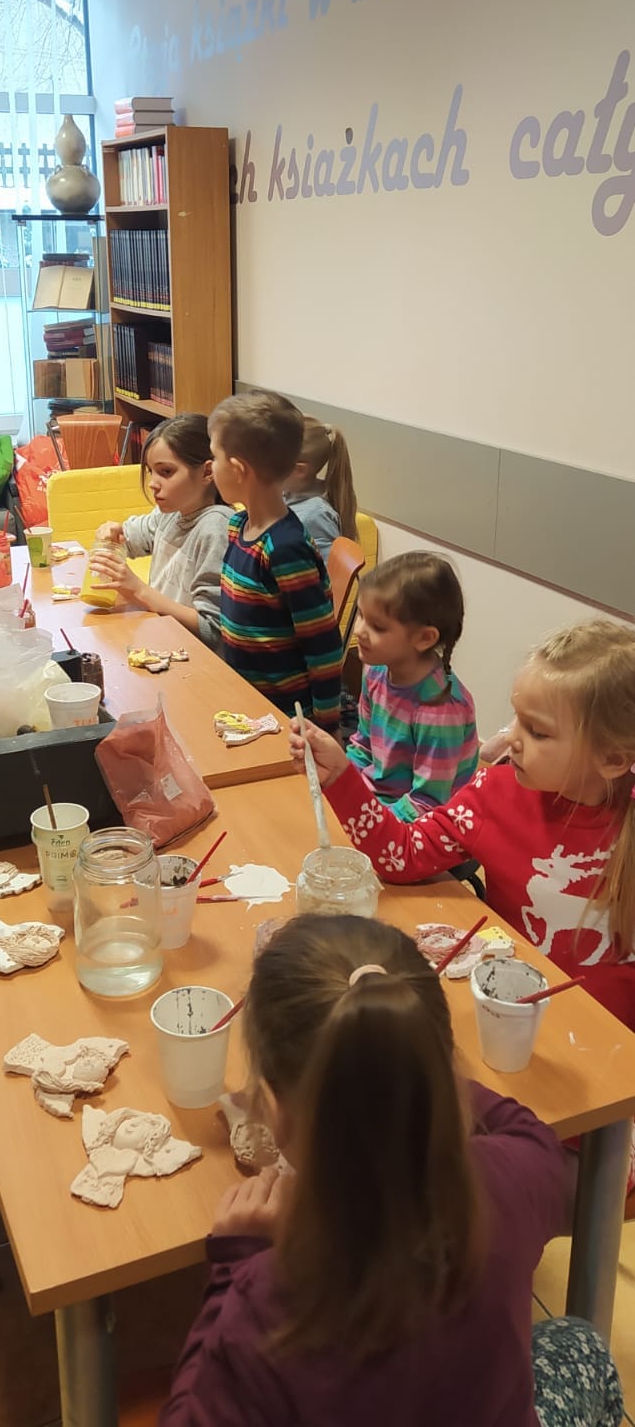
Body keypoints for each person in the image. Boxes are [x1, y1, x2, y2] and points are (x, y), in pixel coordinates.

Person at [160, 914, 622, 1427]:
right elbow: (530, 1133)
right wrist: (414, 1069)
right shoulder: (508, 1178)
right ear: (436, 1065)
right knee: (582, 1343)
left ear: (272, 1109)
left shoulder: (267, 1300)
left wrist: (233, 1261)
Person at [290, 618, 635, 1030]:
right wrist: (341, 777)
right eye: (517, 719)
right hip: (508, 1011)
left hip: (607, 1038)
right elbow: (401, 855)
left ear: (612, 759)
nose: (511, 739)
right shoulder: (495, 793)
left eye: (538, 732)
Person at [208, 391, 343, 729]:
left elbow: (323, 647)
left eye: (214, 456)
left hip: (288, 720)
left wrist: (327, 728)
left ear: (238, 469)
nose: (210, 467)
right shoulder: (238, 526)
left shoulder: (284, 549)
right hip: (248, 705)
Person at [345, 552, 478, 819]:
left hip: (419, 825)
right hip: (377, 809)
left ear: (424, 638)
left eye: (377, 626)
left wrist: (367, 821)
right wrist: (339, 781)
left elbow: (427, 804)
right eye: (360, 615)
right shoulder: (375, 670)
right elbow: (363, 747)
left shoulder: (440, 712)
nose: (359, 630)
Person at [92, 413, 232, 651]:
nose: (152, 483)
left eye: (166, 472)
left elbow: (211, 630)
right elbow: (130, 538)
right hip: (162, 644)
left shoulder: (217, 528)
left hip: (195, 658)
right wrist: (113, 531)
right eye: (151, 472)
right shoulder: (170, 513)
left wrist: (139, 590)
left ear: (207, 472)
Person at [282, 416, 357, 562]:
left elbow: (326, 573)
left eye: (269, 462)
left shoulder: (316, 516)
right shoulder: (286, 492)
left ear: (299, 471)